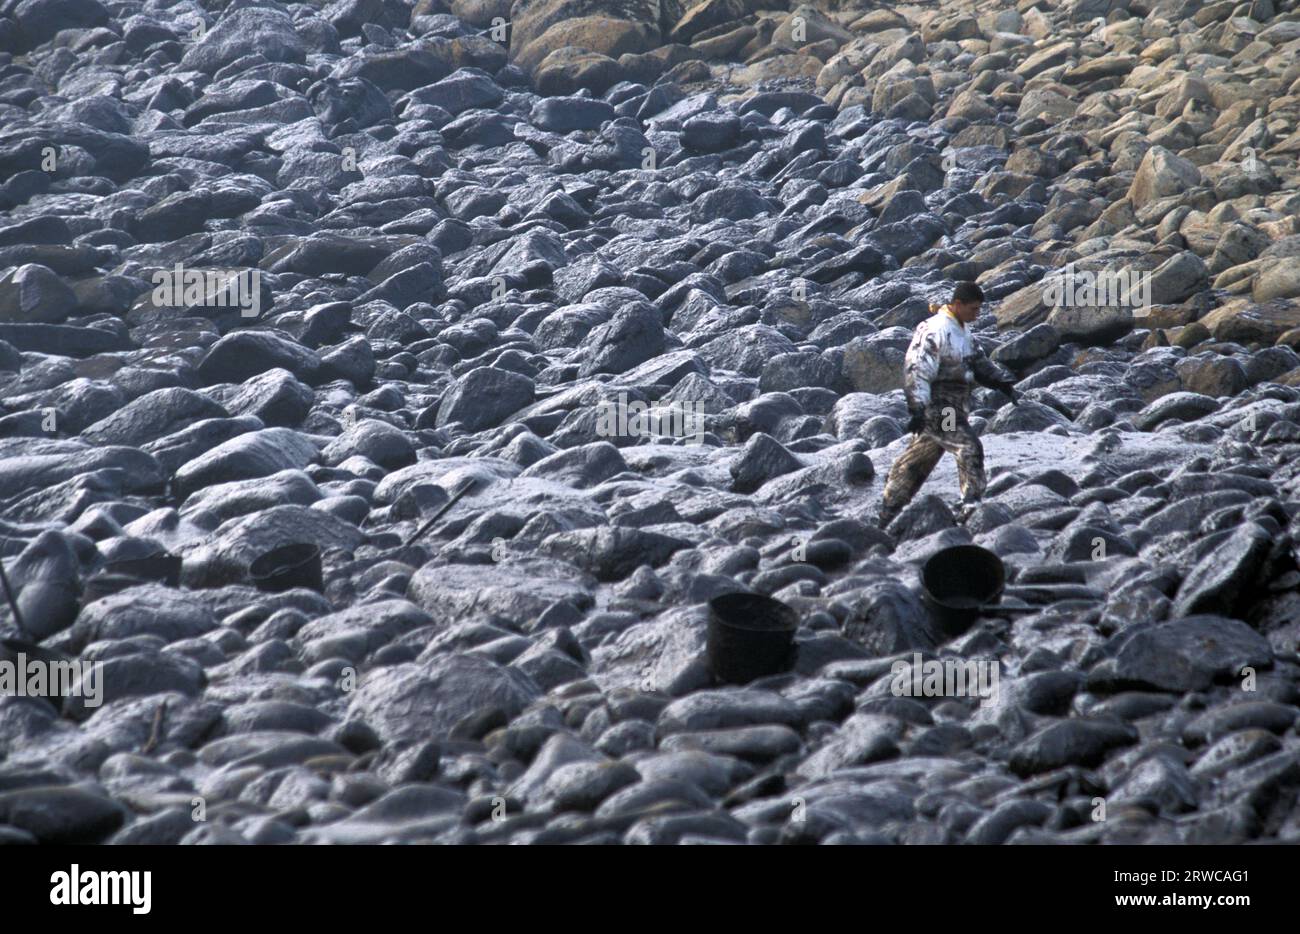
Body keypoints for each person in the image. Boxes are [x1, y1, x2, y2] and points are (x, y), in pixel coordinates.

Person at [877, 281, 1019, 528]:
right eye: (973, 309)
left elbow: (977, 361)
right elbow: (917, 369)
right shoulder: (935, 330)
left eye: (979, 309)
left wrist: (1001, 382)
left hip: (955, 403)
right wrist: (918, 407)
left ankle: (889, 510)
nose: (977, 314)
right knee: (968, 446)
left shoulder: (962, 329)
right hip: (940, 406)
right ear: (958, 304)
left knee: (916, 462)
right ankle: (970, 505)